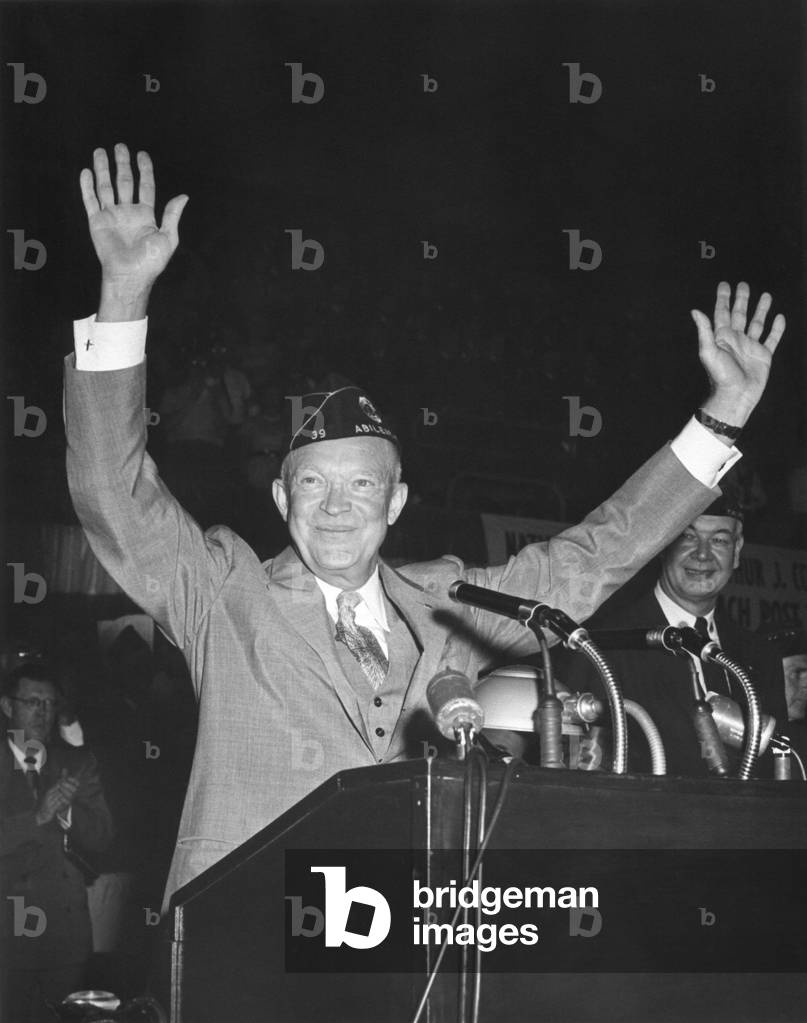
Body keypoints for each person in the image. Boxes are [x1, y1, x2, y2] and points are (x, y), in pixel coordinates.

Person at [64, 143, 784, 909]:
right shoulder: (221, 588)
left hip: (396, 949)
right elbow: (112, 490)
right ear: (281, 499)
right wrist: (124, 293)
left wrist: (722, 418)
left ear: (395, 502)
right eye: (313, 485)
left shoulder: (447, 604)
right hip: (243, 938)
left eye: (361, 486)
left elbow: (596, 554)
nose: (337, 506)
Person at [561, 501, 793, 776]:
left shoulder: (759, 655)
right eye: (688, 536)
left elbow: (778, 768)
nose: (703, 554)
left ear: (737, 551)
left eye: (719, 539)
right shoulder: (605, 642)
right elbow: (579, 764)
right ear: (663, 543)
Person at [0, 663, 114, 1022]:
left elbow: (103, 838)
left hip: (63, 940)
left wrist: (68, 815)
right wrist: (37, 818)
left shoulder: (77, 762)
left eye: (49, 703)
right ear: (7, 707)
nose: (43, 712)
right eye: (32, 702)